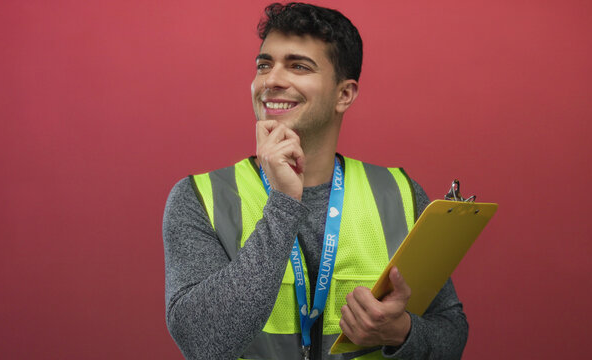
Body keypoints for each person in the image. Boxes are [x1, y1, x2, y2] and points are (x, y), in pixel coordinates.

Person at [163, 3, 468, 359]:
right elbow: (203, 341)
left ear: (344, 94)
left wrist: (401, 332)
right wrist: (283, 203)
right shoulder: (198, 198)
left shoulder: (400, 194)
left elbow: (452, 331)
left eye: (298, 66)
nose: (271, 79)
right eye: (264, 64)